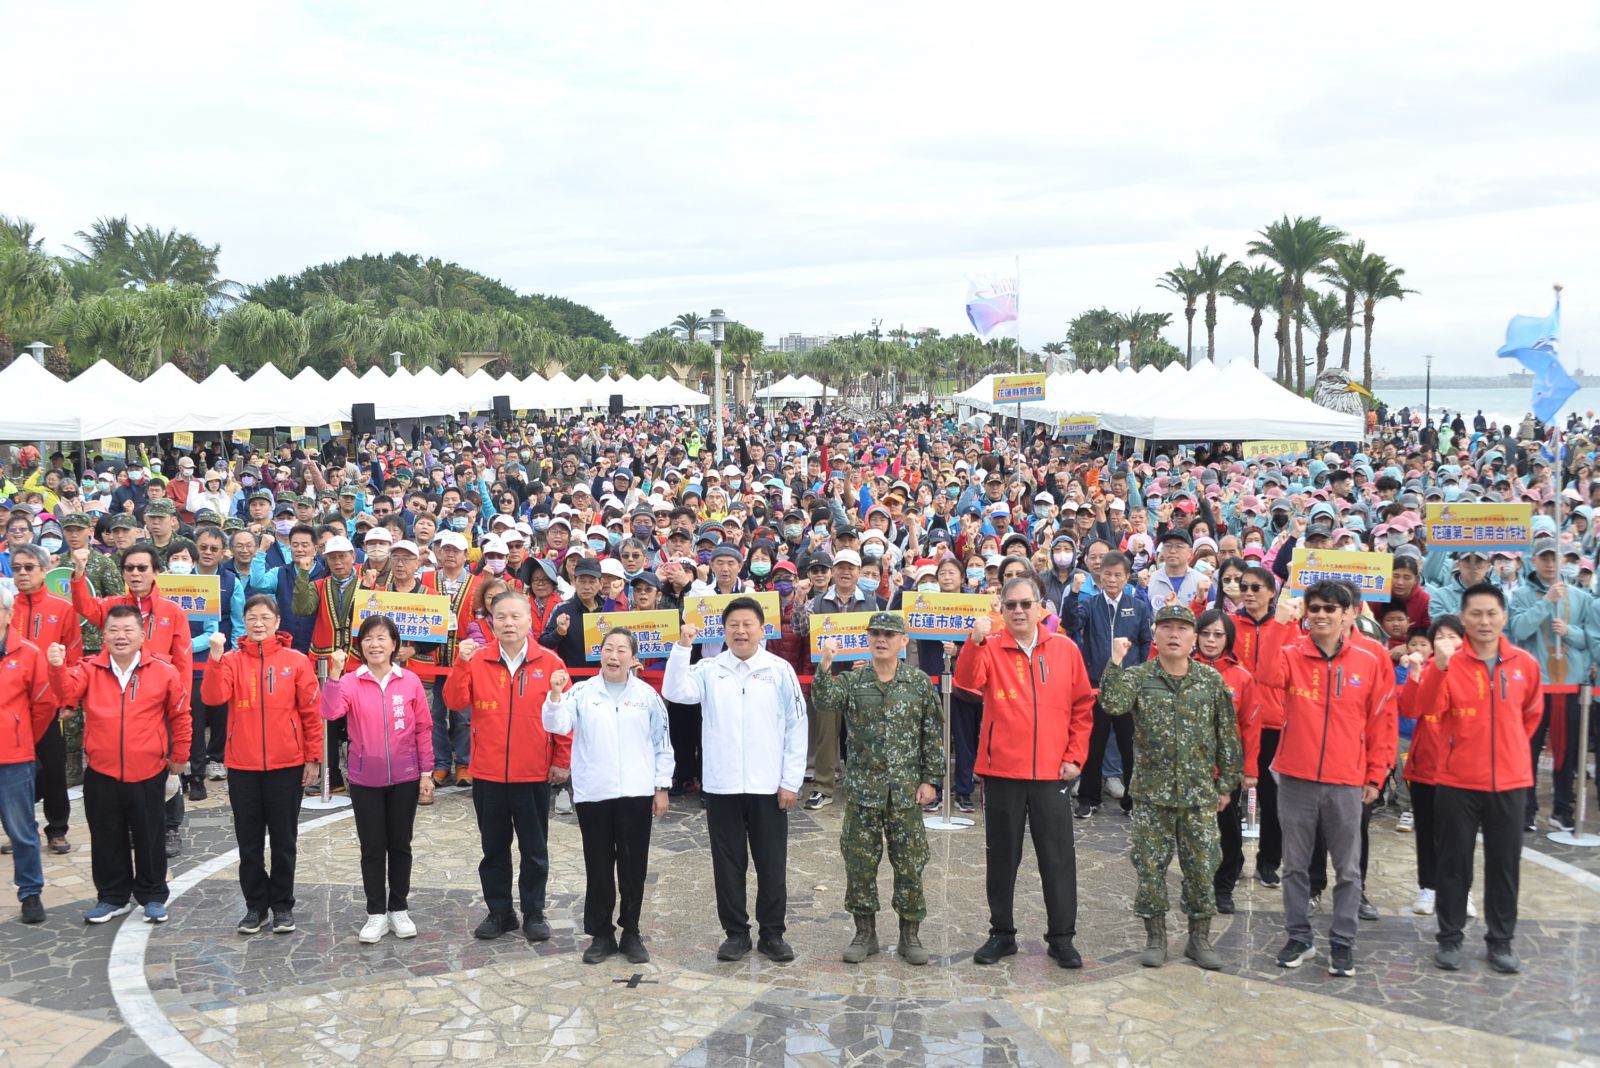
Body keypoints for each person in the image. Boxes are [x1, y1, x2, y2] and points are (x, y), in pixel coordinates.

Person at [955, 574, 1095, 969]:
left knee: (1057, 858)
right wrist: (974, 642)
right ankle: (1001, 933)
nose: (1018, 611)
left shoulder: (1065, 649)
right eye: (1010, 605)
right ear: (1000, 609)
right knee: (1002, 857)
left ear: (1040, 608)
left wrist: (1075, 757)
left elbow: (1083, 708)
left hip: (1053, 773)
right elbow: (966, 685)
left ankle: (1062, 937)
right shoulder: (990, 648)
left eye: (1024, 604)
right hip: (1002, 772)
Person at [664, 596, 807, 962]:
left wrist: (790, 781)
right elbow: (676, 692)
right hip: (722, 785)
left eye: (748, 625)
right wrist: (683, 648)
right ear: (723, 631)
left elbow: (796, 725)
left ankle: (772, 934)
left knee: (771, 864)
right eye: (733, 626)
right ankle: (736, 933)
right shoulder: (710, 669)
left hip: (767, 786)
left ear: (763, 629)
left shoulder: (779, 670)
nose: (741, 631)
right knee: (728, 864)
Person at [1100, 604, 1242, 970]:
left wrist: (1226, 784)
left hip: (1198, 795)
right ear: (1156, 634)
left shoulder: (1210, 682)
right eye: (1166, 628)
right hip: (1151, 795)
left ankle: (1199, 938)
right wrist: (1115, 661)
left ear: (1195, 637)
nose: (1174, 634)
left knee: (1201, 868)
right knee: (1150, 868)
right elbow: (1112, 703)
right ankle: (1156, 937)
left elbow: (1227, 735)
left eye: (1182, 628)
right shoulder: (1139, 676)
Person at [1412, 584, 1542, 974]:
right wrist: (1437, 664)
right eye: (1476, 614)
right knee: (1454, 864)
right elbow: (1426, 706)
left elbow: (1532, 716)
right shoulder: (1451, 664)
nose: (1484, 621)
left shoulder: (1524, 664)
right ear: (1464, 618)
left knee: (1504, 864)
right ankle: (1449, 938)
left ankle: (1500, 942)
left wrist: (1510, 750)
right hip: (1456, 781)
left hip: (1510, 781)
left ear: (1503, 616)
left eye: (1491, 614)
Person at [1270, 580, 1396, 978]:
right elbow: (1267, 677)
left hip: (1347, 780)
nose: (1321, 614)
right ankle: (1299, 936)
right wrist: (1278, 624)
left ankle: (1342, 942)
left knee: (1348, 869)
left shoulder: (1371, 658)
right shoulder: (1291, 652)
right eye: (1315, 608)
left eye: (1330, 608)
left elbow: (1383, 721)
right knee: (1295, 866)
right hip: (1296, 777)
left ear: (1348, 614)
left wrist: (1376, 775)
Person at [813, 612, 944, 966]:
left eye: (889, 634)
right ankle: (864, 934)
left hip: (905, 792)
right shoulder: (854, 681)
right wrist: (827, 662)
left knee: (910, 863)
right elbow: (824, 702)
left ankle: (910, 935)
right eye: (875, 634)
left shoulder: (917, 683)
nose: (881, 640)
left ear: (904, 642)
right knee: (859, 864)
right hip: (863, 792)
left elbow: (932, 732)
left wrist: (931, 780)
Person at [47, 606, 189, 925]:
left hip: (149, 770)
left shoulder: (163, 670)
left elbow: (181, 714)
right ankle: (112, 897)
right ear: (104, 636)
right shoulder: (89, 669)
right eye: (113, 630)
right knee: (107, 836)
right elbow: (66, 694)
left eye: (127, 630)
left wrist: (179, 755)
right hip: (102, 770)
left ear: (141, 635)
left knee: (150, 835)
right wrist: (57, 668)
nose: (120, 636)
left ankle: (153, 896)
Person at [443, 590, 572, 942]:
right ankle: (500, 912)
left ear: (530, 620)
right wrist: (460, 664)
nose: (509, 623)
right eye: (501, 617)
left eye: (516, 616)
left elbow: (565, 719)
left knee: (534, 849)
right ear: (491, 621)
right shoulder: (478, 659)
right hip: (487, 772)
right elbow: (454, 701)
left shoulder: (550, 663)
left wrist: (562, 760)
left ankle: (534, 911)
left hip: (532, 772)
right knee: (493, 848)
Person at [542, 628, 674, 965]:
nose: (613, 656)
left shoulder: (647, 696)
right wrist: (555, 695)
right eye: (608, 649)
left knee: (633, 868)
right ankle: (601, 935)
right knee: (598, 867)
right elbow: (556, 725)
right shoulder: (582, 693)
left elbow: (662, 745)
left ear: (634, 658)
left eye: (621, 650)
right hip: (594, 794)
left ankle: (631, 932)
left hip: (636, 794)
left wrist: (661, 787)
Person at [200, 595, 322, 935]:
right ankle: (256, 906)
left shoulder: (296, 661)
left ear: (277, 622)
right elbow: (212, 697)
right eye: (251, 617)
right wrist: (213, 658)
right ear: (244, 621)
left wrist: (313, 757)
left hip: (287, 764)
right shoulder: (231, 661)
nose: (258, 623)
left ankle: (282, 905)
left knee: (284, 840)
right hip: (243, 765)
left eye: (265, 617)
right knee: (248, 842)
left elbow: (312, 713)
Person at [69, 542, 194, 859]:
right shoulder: (114, 607)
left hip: (162, 698)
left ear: (155, 572)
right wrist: (79, 574)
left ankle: (169, 826)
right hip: (123, 694)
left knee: (165, 768)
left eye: (142, 568)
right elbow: (84, 606)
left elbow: (182, 664)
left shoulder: (172, 612)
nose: (136, 573)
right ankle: (129, 825)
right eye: (130, 568)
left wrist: (181, 703)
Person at [321, 614, 434, 943]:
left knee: (400, 845)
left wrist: (426, 772)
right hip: (364, 778)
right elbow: (330, 713)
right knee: (372, 848)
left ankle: (399, 908)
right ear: (361, 645)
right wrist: (333, 676)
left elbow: (424, 729)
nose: (375, 644)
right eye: (369, 638)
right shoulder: (350, 682)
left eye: (382, 638)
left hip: (405, 777)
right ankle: (375, 914)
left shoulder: (409, 681)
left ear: (394, 644)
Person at [5, 543, 81, 854]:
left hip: (48, 702)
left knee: (52, 766)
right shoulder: (6, 607)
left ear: (43, 570)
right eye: (17, 568)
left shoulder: (62, 608)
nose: (22, 573)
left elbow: (74, 656)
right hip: (10, 705)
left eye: (29, 567)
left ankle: (57, 828)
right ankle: (19, 829)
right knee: (12, 770)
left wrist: (69, 698)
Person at [1069, 550, 1153, 818]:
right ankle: (1089, 798)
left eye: (1118, 574)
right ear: (1099, 576)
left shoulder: (1138, 606)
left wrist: (1138, 676)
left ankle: (1133, 800)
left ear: (1127, 577)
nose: (1112, 579)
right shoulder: (1090, 604)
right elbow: (1070, 624)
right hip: (1097, 686)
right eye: (1107, 574)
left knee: (1131, 746)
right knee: (1094, 744)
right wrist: (1072, 594)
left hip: (1129, 687)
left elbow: (1145, 643)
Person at [1192, 609, 1260, 915]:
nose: (1210, 640)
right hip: (1189, 768)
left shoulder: (1241, 677)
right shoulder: (1182, 668)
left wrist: (1250, 771)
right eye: (1205, 633)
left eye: (1218, 635)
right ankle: (1197, 885)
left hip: (1225, 772)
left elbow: (1250, 726)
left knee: (1228, 831)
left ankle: (1224, 886)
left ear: (1228, 639)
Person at [0, 587, 57, 923]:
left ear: (9, 613)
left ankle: (30, 892)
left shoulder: (29, 653)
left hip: (14, 757)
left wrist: (21, 736)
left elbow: (44, 704)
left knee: (21, 830)